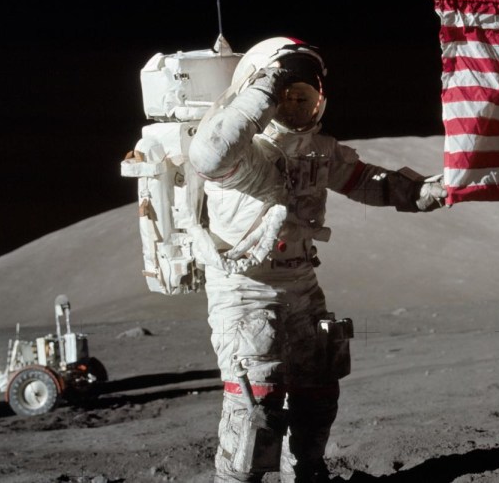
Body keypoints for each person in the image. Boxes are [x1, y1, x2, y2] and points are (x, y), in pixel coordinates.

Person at [188, 36, 447, 483]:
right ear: (260, 95)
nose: (293, 109)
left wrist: (423, 192)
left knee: (318, 393)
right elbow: (210, 157)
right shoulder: (243, 154)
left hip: (302, 285)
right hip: (245, 289)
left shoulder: (318, 151)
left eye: (302, 99)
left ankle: (305, 474)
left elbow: (368, 181)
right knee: (257, 407)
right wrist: (265, 86)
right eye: (284, 97)